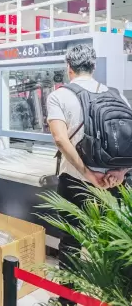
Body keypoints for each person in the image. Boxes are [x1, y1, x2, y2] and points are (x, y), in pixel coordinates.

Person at [47, 44, 130, 306]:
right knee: (114, 239)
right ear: (93, 67)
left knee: (71, 241)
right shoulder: (116, 93)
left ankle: (67, 300)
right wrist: (120, 171)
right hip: (115, 183)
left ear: (68, 68)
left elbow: (60, 139)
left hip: (75, 181)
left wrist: (88, 173)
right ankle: (115, 297)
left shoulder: (59, 96)